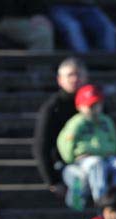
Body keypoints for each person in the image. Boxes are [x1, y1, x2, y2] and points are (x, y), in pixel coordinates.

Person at [57, 84, 116, 211]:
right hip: (84, 160)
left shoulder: (106, 121)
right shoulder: (76, 123)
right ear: (79, 106)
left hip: (107, 158)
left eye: (96, 104)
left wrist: (110, 152)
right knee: (95, 164)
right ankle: (102, 203)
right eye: (89, 105)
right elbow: (64, 142)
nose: (94, 109)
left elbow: (114, 140)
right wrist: (71, 159)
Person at [33, 57, 88, 202]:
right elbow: (41, 147)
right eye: (70, 75)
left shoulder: (96, 106)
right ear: (60, 79)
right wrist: (52, 181)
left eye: (78, 74)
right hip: (64, 165)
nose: (75, 79)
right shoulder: (52, 108)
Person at [48, 1, 116, 53]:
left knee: (108, 27)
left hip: (88, 7)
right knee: (73, 27)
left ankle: (107, 64)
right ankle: (84, 64)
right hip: (60, 6)